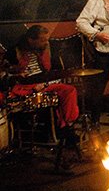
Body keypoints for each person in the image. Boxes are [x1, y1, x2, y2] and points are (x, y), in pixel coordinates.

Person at [5, 25, 81, 170]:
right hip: (25, 86)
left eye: (47, 40)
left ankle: (66, 126)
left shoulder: (45, 50)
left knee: (69, 91)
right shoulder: (14, 51)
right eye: (42, 40)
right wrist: (17, 75)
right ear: (30, 40)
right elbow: (5, 74)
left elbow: (50, 71)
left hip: (42, 83)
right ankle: (66, 133)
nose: (46, 43)